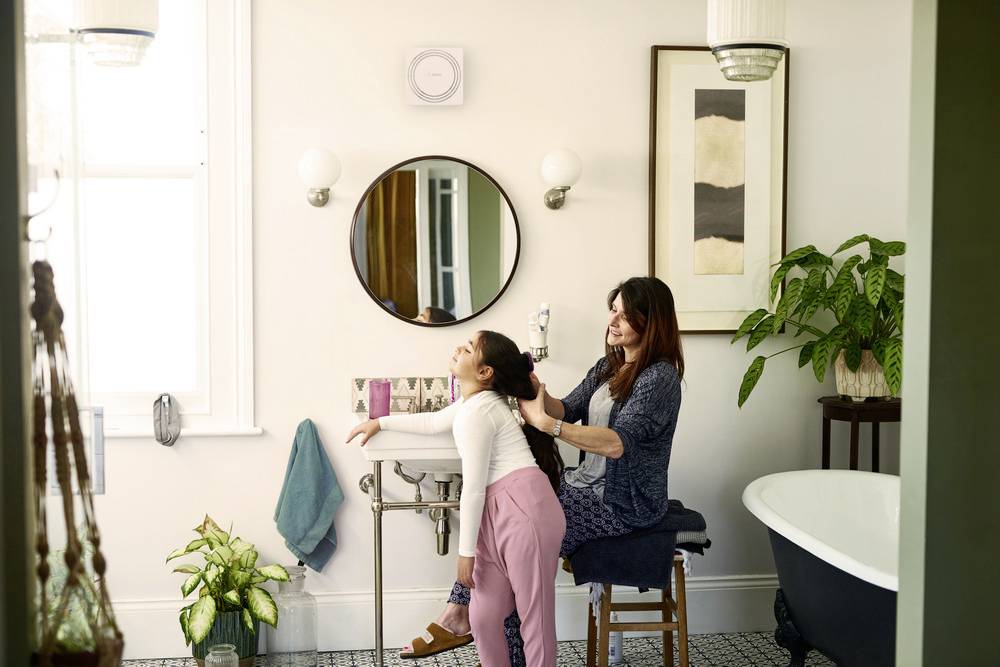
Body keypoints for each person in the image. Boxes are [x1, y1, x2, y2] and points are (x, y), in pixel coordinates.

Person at [397, 276, 684, 665]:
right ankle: (461, 611)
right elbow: (569, 407)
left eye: (623, 314)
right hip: (584, 488)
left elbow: (618, 443)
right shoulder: (609, 365)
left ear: (651, 322)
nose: (612, 320)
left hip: (623, 504)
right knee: (511, 528)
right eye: (612, 310)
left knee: (520, 533)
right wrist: (537, 393)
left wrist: (547, 424)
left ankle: (459, 612)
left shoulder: (660, 378)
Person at [347, 331, 566, 666]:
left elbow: (475, 487)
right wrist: (380, 422)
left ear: (485, 372)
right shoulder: (471, 405)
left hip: (525, 510)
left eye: (467, 348)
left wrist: (465, 555)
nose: (457, 349)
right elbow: (434, 422)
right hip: (499, 511)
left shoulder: (481, 412)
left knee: (534, 619)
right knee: (482, 617)